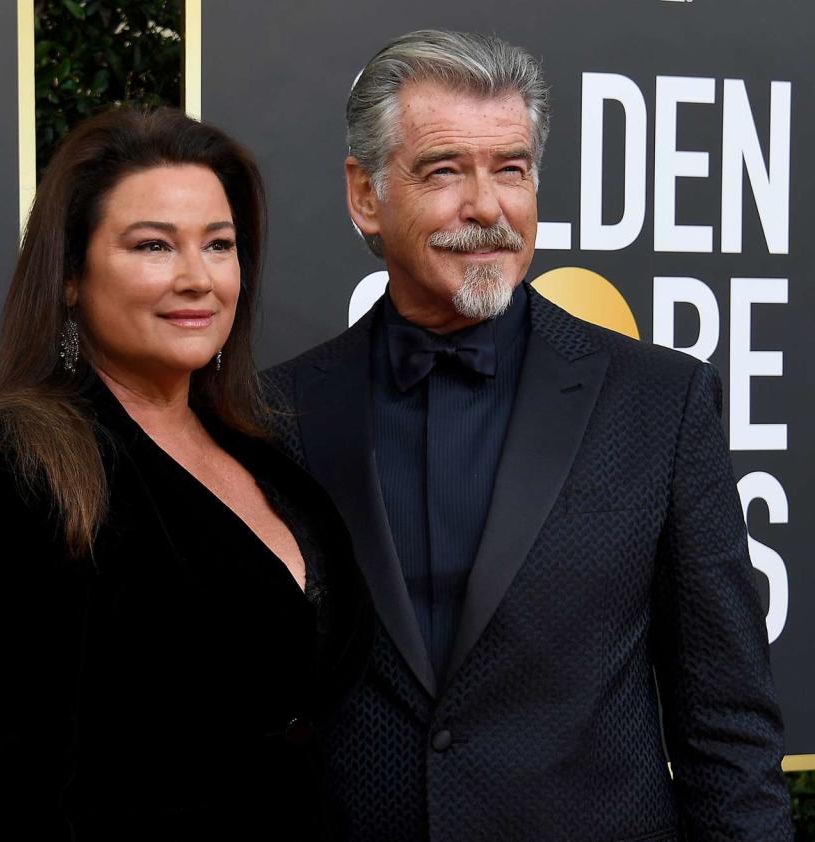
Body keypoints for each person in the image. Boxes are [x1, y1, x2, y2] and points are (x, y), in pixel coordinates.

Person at [262, 30, 793, 841]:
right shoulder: (278, 413)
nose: (487, 207)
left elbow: (727, 724)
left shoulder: (660, 402)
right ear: (365, 195)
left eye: (510, 169)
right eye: (444, 170)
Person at [0, 106, 371, 840]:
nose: (198, 278)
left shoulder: (261, 449)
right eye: (153, 246)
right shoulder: (4, 466)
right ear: (68, 277)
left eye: (219, 245)